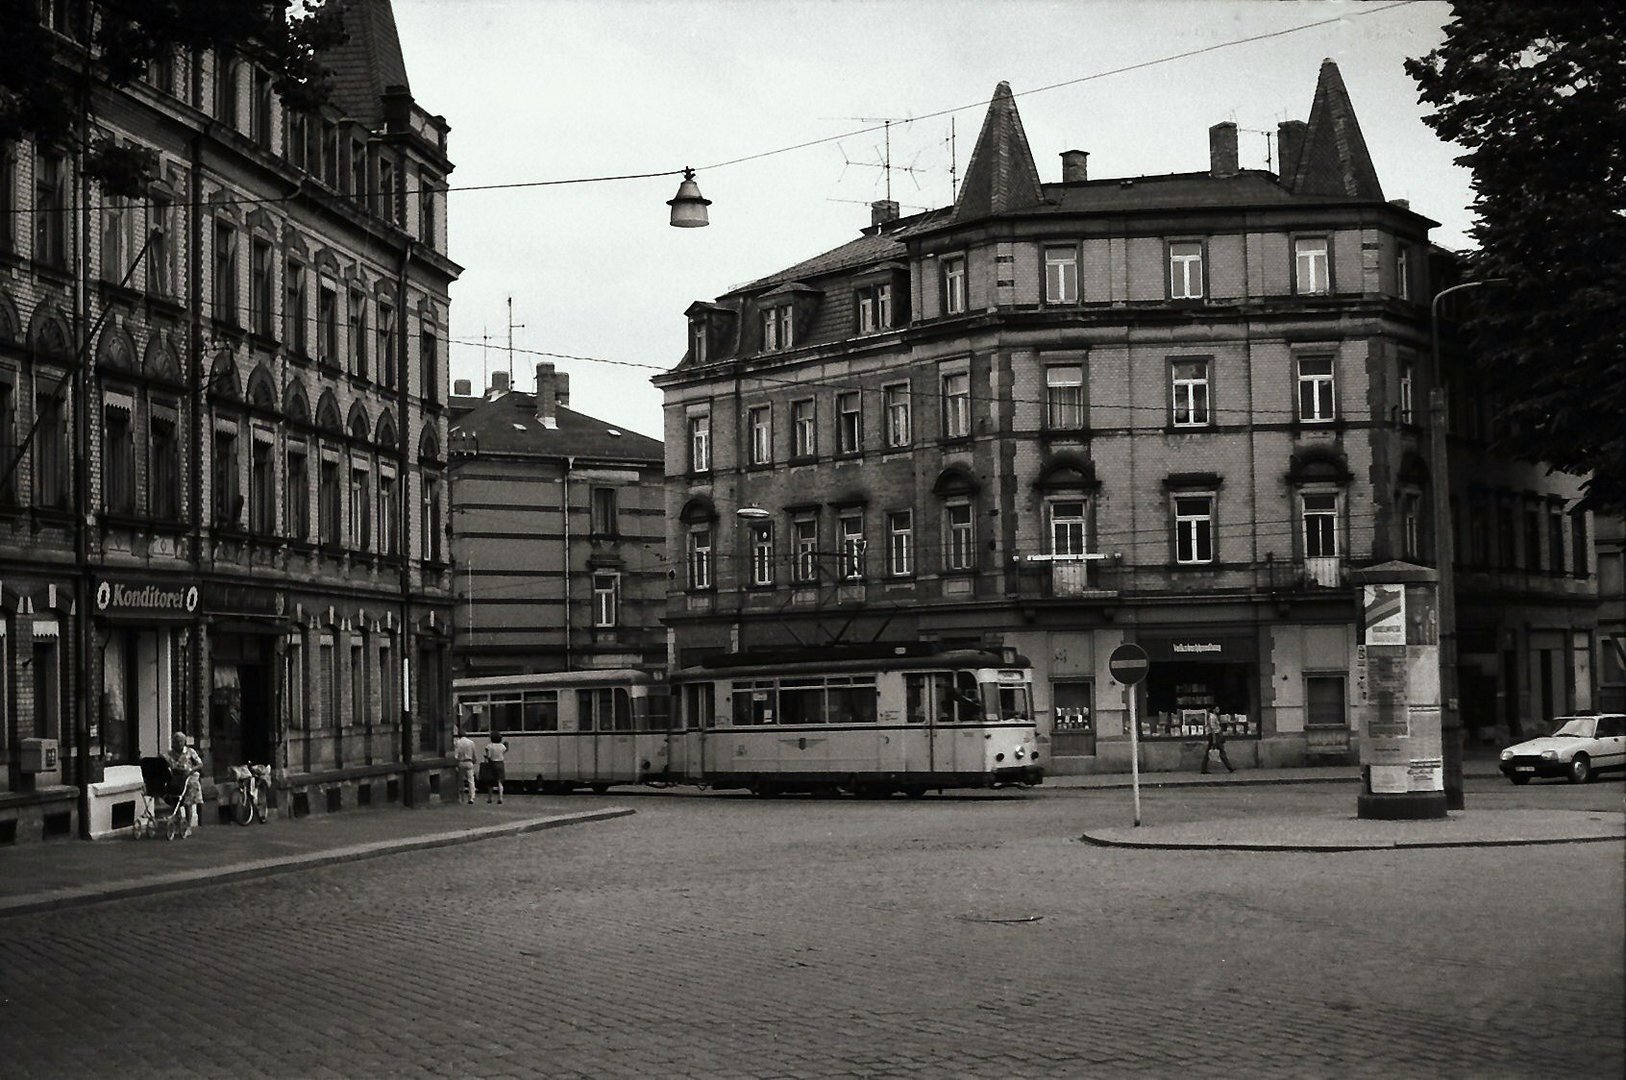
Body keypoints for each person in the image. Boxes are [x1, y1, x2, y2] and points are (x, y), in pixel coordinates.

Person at [163, 730, 204, 837]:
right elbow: (165, 762)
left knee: (188, 803)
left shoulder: (190, 752)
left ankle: (188, 826)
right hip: (176, 778)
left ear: (184, 742)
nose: (179, 744)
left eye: (181, 741)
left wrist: (191, 770)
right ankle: (177, 821)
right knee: (174, 799)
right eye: (176, 741)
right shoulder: (169, 754)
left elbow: (200, 764)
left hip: (188, 778)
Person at [452, 728, 478, 805]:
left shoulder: (457, 743)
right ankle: (471, 797)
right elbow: (474, 754)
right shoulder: (471, 742)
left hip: (461, 762)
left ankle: (461, 797)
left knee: (460, 781)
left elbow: (456, 755)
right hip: (469, 762)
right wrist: (474, 761)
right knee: (471, 781)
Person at [483, 732, 508, 804]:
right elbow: (505, 750)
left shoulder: (489, 746)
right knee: (500, 781)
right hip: (500, 763)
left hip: (492, 764)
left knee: (490, 782)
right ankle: (500, 798)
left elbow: (489, 756)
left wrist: (486, 756)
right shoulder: (502, 746)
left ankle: (490, 798)